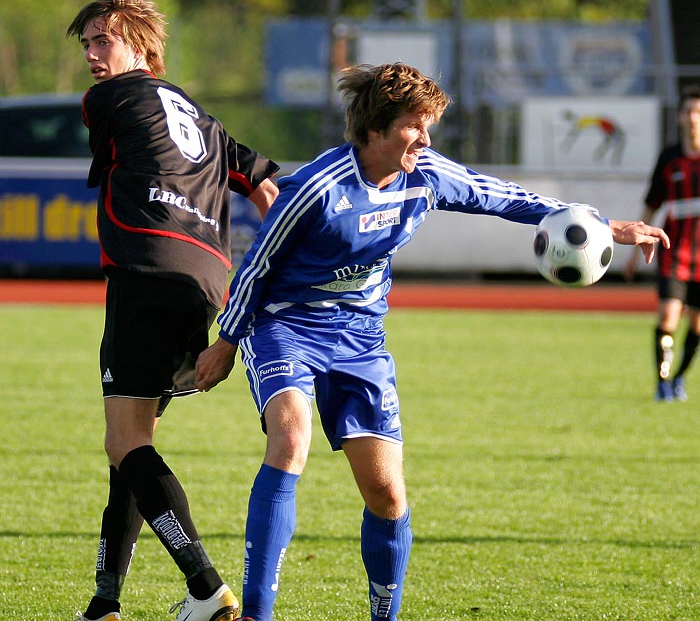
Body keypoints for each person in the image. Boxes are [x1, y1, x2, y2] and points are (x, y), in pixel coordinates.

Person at [194, 62, 669, 621]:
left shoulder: (427, 174)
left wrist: (606, 225)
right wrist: (226, 342)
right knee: (291, 439)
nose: (425, 138)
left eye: (428, 125)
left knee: (388, 497)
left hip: (361, 338)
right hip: (288, 325)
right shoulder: (315, 188)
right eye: (412, 126)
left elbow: (505, 197)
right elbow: (259, 265)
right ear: (374, 130)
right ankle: (257, 614)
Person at [65, 0, 279, 621]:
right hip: (205, 280)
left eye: (105, 40)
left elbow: (111, 170)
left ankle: (206, 588)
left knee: (126, 441)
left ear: (143, 48)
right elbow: (268, 190)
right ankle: (104, 601)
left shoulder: (104, 98)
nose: (94, 55)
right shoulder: (206, 121)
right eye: (87, 44)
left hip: (145, 265)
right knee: (130, 442)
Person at [624, 84, 700, 402]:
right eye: (689, 112)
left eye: (699, 112)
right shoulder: (669, 159)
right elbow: (652, 203)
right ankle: (661, 383)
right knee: (668, 319)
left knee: (697, 327)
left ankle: (679, 379)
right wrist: (634, 244)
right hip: (675, 254)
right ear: (680, 118)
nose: (694, 118)